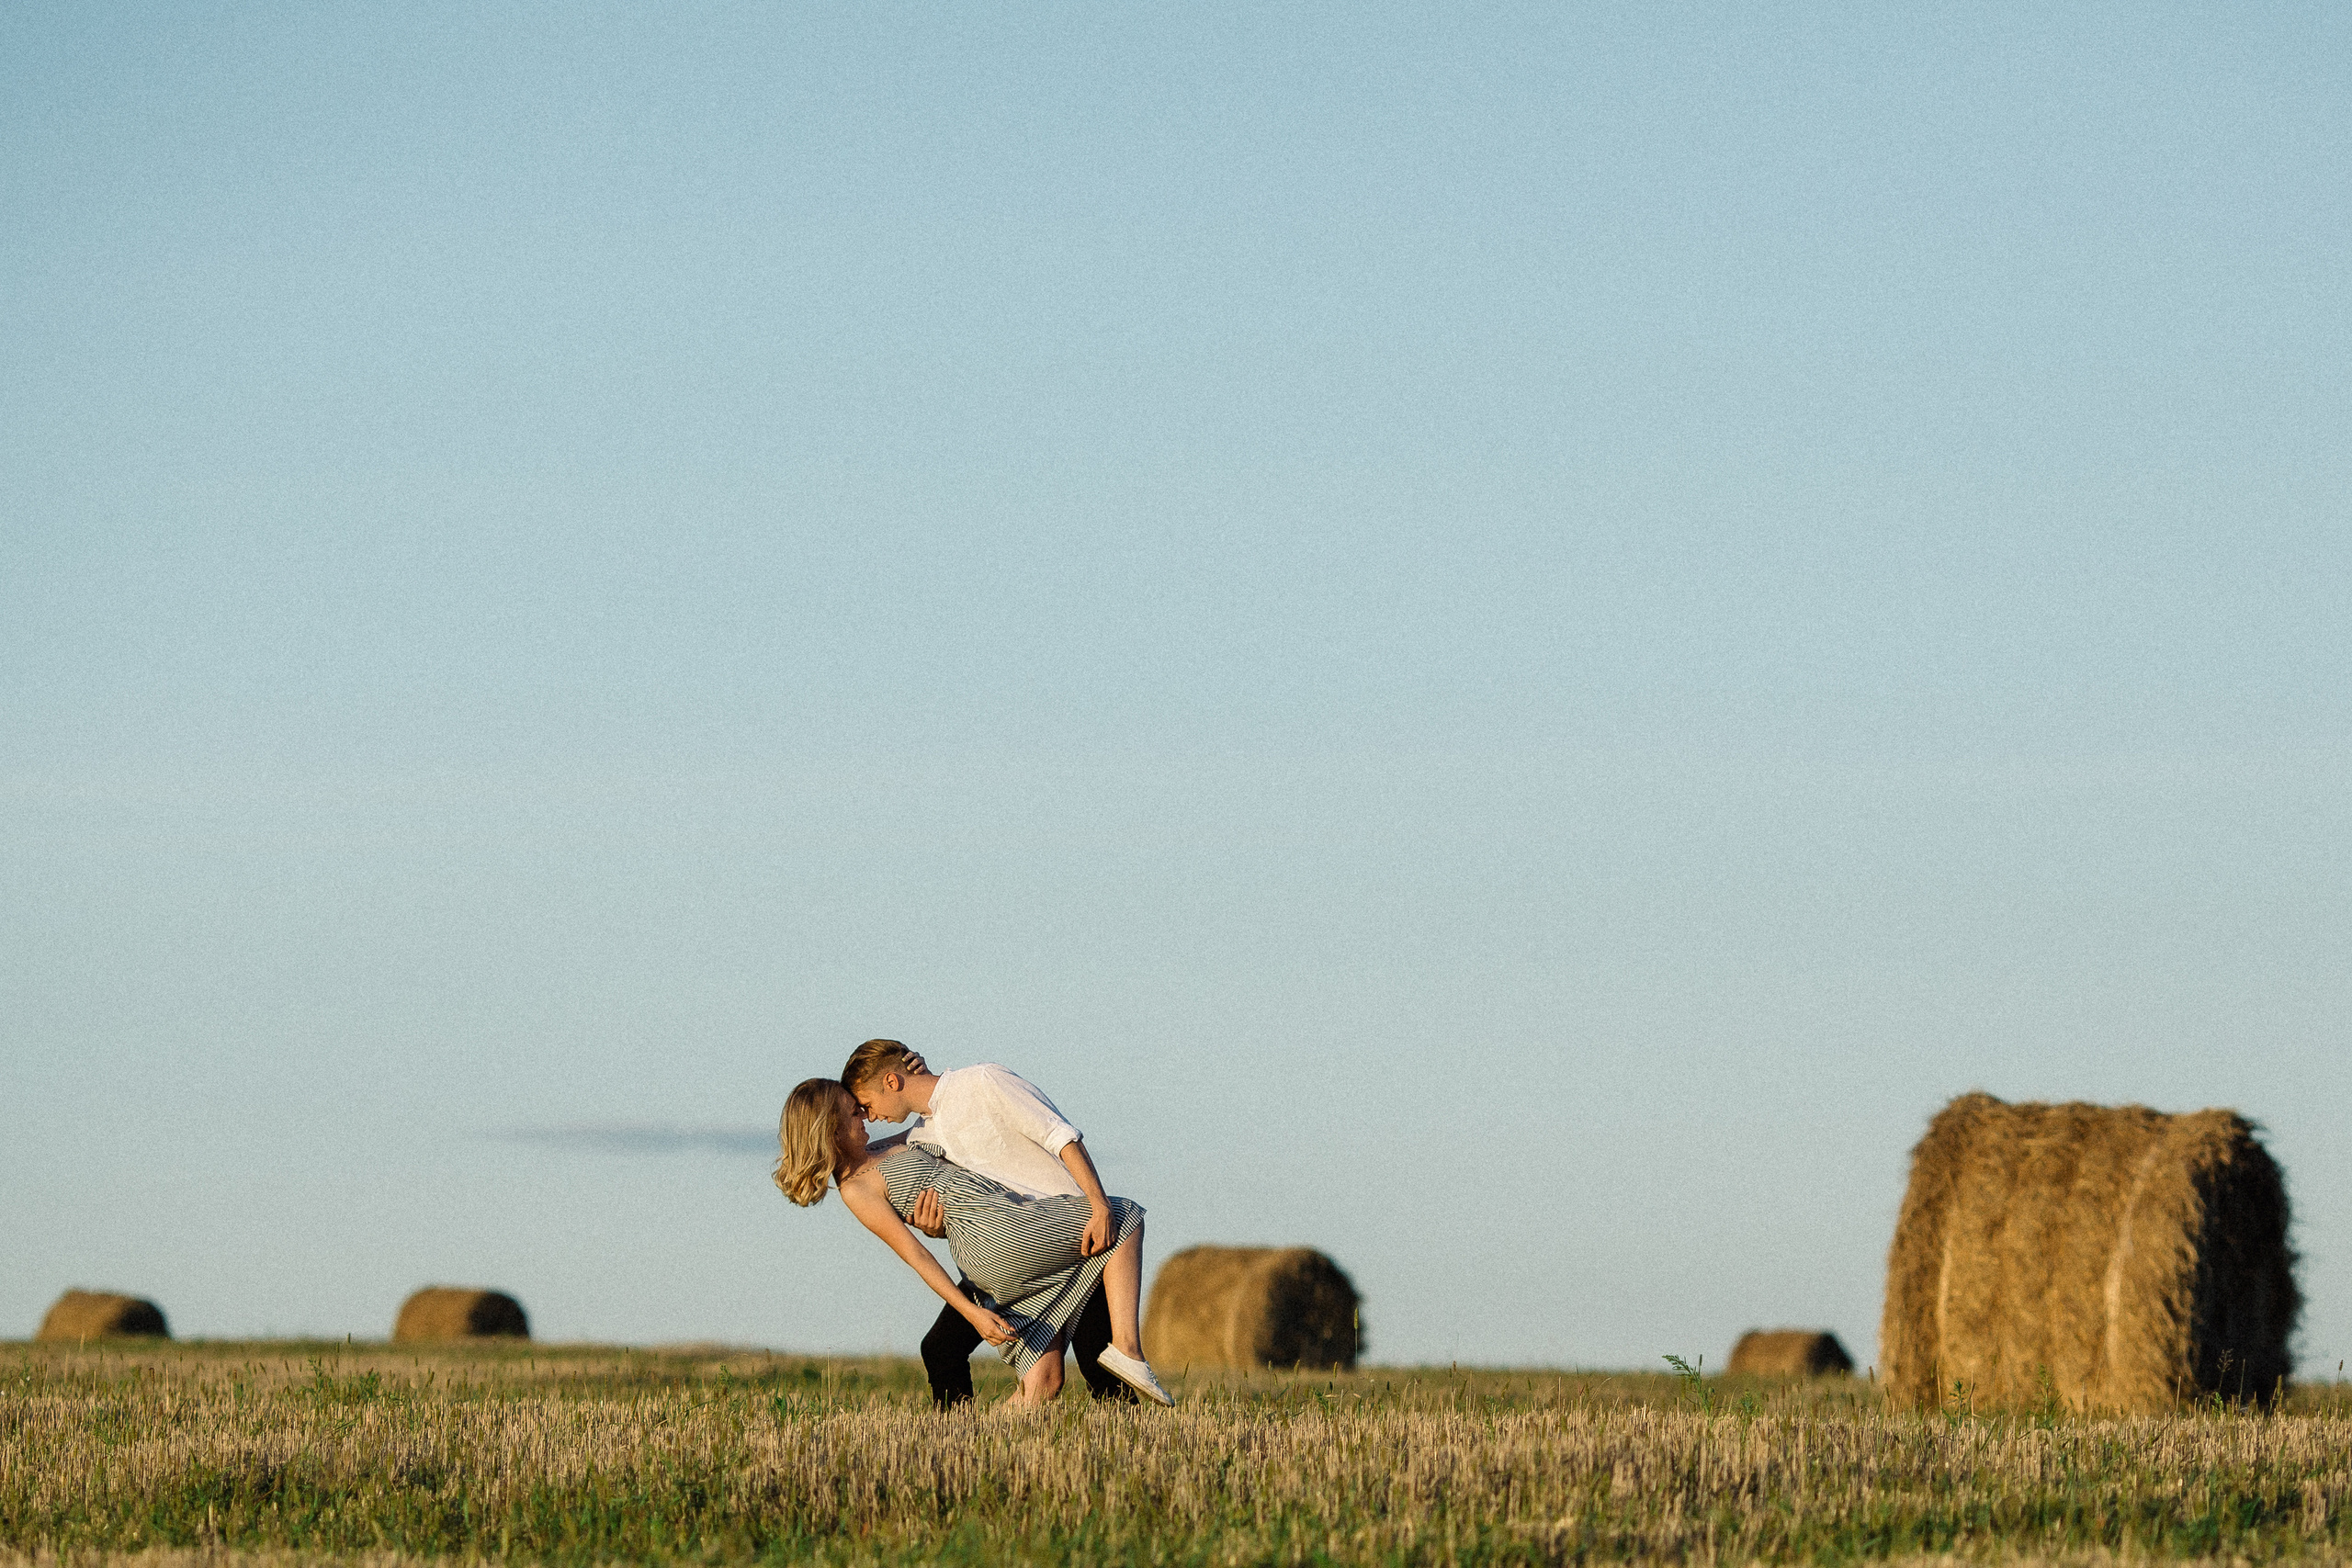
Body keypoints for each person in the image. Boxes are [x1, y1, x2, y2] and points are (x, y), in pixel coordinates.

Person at [775, 1074, 1175, 1408]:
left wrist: (917, 1072)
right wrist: (972, 1313)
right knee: (1120, 1215)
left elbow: (934, 1116)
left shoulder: (881, 1150)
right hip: (1004, 1234)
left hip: (985, 1255)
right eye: (853, 1113)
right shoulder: (857, 1190)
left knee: (1044, 1382)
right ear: (830, 1130)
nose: (864, 1116)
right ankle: (1128, 1349)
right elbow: (916, 1256)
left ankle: (973, 1442)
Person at [841, 1040, 1136, 1409]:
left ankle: (1131, 1435)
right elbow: (949, 1193)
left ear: (891, 1081)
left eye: (867, 1105)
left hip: (1067, 1233)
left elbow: (1060, 1135)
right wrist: (935, 1227)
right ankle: (959, 1438)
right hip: (1011, 1245)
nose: (868, 1117)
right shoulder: (922, 1134)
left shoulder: (982, 1081)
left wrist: (1100, 1205)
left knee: (1096, 1363)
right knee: (944, 1349)